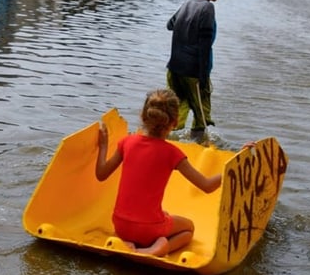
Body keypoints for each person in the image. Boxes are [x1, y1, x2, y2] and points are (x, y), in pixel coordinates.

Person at [95, 89, 222, 257]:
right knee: (189, 228)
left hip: (120, 225)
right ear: (175, 122)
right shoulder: (172, 153)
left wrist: (103, 146)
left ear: (143, 115)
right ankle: (158, 249)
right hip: (149, 230)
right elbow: (206, 186)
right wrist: (233, 168)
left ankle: (129, 243)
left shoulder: (127, 142)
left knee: (164, 215)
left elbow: (101, 174)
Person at [166, 0, 225, 139]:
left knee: (177, 111)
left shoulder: (188, 3)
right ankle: (197, 148)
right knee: (201, 115)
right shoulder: (207, 7)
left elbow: (170, 25)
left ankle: (170, 144)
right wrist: (203, 78)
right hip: (194, 72)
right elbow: (204, 47)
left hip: (174, 69)